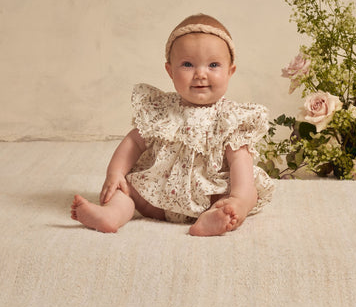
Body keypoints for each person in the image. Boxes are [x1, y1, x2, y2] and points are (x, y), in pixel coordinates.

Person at [71, 14, 274, 236]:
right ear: (170, 71)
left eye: (213, 65)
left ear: (230, 71)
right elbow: (134, 142)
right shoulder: (161, 109)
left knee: (248, 192)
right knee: (127, 189)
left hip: (211, 195)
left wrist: (239, 196)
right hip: (159, 196)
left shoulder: (231, 118)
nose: (200, 74)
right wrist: (115, 173)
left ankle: (221, 215)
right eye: (187, 64)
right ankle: (111, 215)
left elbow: (240, 161)